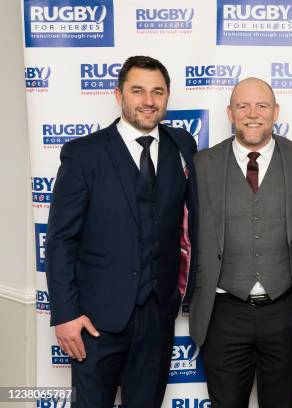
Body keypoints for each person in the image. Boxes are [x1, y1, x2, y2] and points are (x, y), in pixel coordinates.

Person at [45, 55, 198, 407]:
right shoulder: (83, 154)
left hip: (157, 316)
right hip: (96, 319)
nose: (148, 101)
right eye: (138, 91)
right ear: (118, 95)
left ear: (167, 97)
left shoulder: (182, 146)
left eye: (158, 92)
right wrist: (66, 314)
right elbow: (61, 240)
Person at [188, 77, 292, 407]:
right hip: (224, 312)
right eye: (243, 105)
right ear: (230, 113)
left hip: (286, 312)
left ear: (276, 112)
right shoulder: (203, 164)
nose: (252, 113)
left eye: (262, 105)